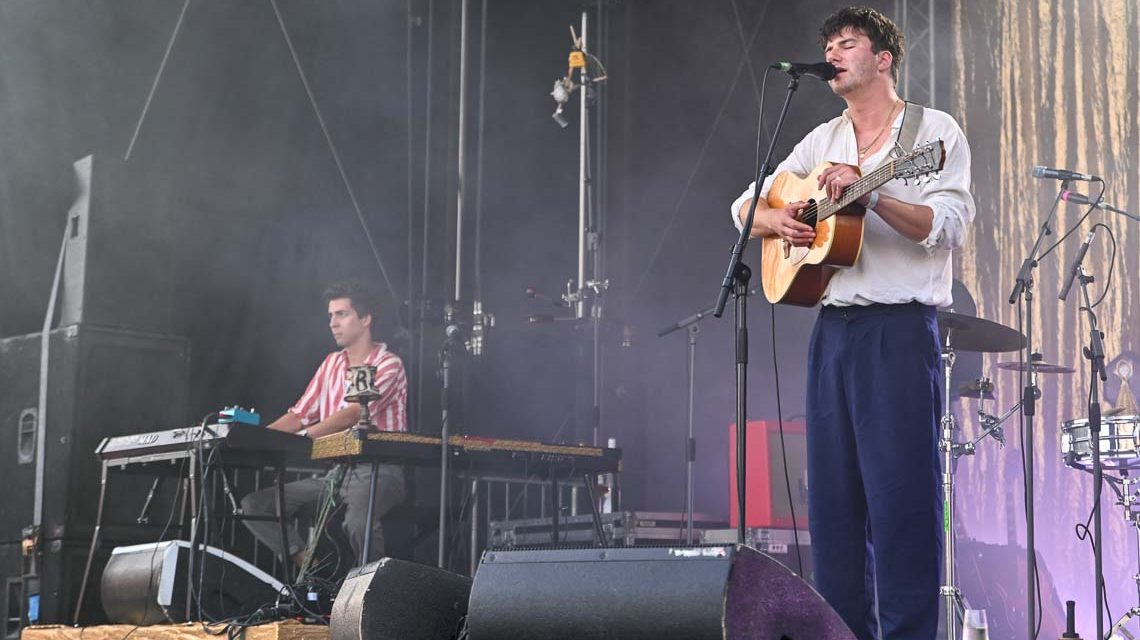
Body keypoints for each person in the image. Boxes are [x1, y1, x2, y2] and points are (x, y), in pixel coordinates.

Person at [730, 7, 975, 639]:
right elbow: (744, 207)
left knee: (902, 501)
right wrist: (779, 221)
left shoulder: (931, 133)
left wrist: (874, 194)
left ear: (883, 58)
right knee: (833, 506)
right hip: (833, 332)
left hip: (899, 332)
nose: (833, 55)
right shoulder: (822, 139)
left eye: (847, 44)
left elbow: (948, 226)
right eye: (828, 46)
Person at [241, 280, 407, 568]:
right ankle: (309, 567)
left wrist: (303, 438)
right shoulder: (331, 363)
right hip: (336, 473)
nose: (333, 323)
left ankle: (374, 590)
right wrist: (255, 438)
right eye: (330, 316)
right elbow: (300, 414)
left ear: (366, 319)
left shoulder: (389, 363)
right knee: (255, 505)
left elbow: (353, 413)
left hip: (379, 470)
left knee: (358, 523)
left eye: (341, 314)